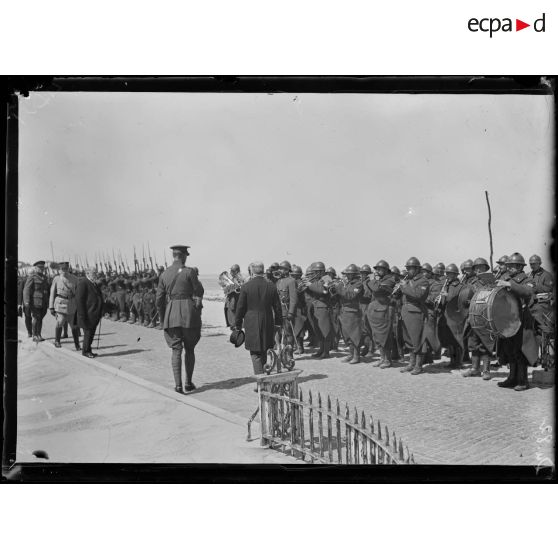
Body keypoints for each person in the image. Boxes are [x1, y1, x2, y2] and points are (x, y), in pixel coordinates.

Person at [156, 245, 204, 393]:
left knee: (176, 350)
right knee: (189, 349)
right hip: (189, 314)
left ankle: (178, 385)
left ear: (174, 256)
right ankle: (188, 383)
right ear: (183, 256)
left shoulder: (164, 274)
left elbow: (159, 300)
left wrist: (163, 319)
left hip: (171, 315)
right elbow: (199, 291)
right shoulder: (189, 272)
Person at [496, 253, 538, 390]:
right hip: (507, 320)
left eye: (512, 266)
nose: (509, 268)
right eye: (508, 266)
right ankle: (512, 378)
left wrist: (509, 284)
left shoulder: (528, 279)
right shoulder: (505, 278)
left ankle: (523, 380)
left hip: (521, 320)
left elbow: (527, 292)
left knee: (520, 350)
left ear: (520, 267)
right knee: (509, 350)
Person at [234, 261, 283, 375]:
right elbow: (277, 307)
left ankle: (260, 380)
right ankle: (263, 377)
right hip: (267, 320)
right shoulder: (271, 286)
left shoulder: (246, 286)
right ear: (263, 270)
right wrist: (278, 323)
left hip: (251, 322)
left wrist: (237, 324)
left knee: (255, 353)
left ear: (252, 270)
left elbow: (240, 307)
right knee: (264, 349)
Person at [393, 257, 430, 375]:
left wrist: (404, 287)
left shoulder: (423, 281)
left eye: (411, 268)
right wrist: (397, 291)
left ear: (417, 269)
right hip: (405, 312)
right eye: (407, 268)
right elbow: (399, 296)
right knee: (408, 339)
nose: (408, 271)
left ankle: (419, 366)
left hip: (416, 312)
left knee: (417, 339)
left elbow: (418, 295)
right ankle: (411, 363)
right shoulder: (408, 281)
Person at [462, 257, 495, 379]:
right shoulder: (471, 283)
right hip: (473, 316)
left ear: (486, 269)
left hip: (485, 317)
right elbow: (465, 299)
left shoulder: (491, 282)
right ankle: (475, 368)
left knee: (485, 343)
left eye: (480, 268)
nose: (478, 270)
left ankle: (486, 370)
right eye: (475, 268)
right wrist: (467, 301)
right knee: (473, 343)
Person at [365, 260, 397, 368]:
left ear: (386, 270)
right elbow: (373, 288)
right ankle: (382, 358)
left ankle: (388, 360)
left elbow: (376, 288)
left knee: (385, 335)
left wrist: (372, 279)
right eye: (377, 269)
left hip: (385, 309)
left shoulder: (390, 279)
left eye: (380, 269)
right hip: (376, 309)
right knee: (377, 335)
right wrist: (373, 280)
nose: (378, 271)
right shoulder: (380, 279)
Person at [302, 262, 334, 359]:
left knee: (325, 330)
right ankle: (321, 350)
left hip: (324, 307)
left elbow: (323, 291)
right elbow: (314, 291)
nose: (314, 274)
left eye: (316, 272)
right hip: (316, 307)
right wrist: (305, 287)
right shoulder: (317, 280)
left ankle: (326, 352)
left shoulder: (327, 278)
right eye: (314, 272)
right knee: (318, 330)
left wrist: (310, 285)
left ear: (321, 271)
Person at [333, 264, 364, 364]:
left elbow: (350, 295)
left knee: (354, 334)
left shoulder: (358, 284)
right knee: (346, 335)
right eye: (347, 274)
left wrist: (339, 288)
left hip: (353, 312)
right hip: (344, 311)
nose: (347, 276)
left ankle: (356, 356)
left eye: (349, 274)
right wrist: (335, 289)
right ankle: (350, 354)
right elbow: (338, 295)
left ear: (354, 274)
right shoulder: (346, 284)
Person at [527, 254, 554, 360]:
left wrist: (535, 286)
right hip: (531, 306)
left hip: (543, 307)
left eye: (534, 264)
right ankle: (534, 356)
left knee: (542, 332)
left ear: (540, 263)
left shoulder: (547, 275)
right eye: (531, 264)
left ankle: (544, 356)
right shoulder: (529, 275)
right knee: (531, 332)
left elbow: (549, 289)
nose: (532, 266)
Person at [48, 261, 80, 350]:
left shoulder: (75, 279)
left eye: (66, 269)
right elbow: (52, 293)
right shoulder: (57, 279)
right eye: (62, 269)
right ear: (59, 269)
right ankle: (57, 341)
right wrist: (51, 306)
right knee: (60, 321)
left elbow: (78, 293)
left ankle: (77, 344)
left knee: (74, 326)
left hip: (71, 305)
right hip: (60, 304)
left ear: (68, 269)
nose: (64, 271)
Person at [76, 267, 104, 358]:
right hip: (87, 314)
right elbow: (79, 300)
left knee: (91, 333)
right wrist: (82, 315)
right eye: (94, 273)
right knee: (88, 333)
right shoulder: (83, 283)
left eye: (96, 273)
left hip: (94, 313)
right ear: (87, 273)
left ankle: (88, 350)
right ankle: (85, 351)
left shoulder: (93, 283)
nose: (96, 274)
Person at [22, 261, 50, 342]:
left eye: (42, 268)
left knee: (40, 318)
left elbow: (46, 290)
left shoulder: (44, 277)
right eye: (40, 268)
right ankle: (34, 335)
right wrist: (26, 301)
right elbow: (26, 290)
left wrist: (47, 302)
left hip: (43, 302)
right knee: (36, 318)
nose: (41, 269)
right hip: (35, 302)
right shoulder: (32, 277)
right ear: (36, 268)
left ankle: (39, 334)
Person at [275, 260, 297, 350]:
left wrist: (291, 312)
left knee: (288, 333)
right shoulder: (278, 281)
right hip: (278, 311)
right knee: (278, 332)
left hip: (286, 311)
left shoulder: (291, 281)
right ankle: (279, 350)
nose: (281, 271)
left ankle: (289, 353)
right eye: (280, 269)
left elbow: (293, 299)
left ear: (288, 270)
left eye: (283, 269)